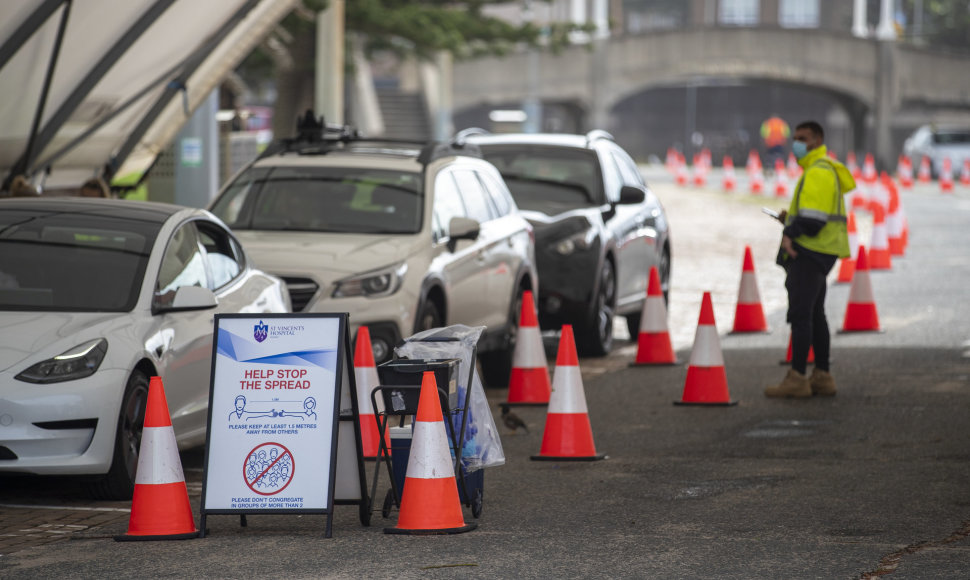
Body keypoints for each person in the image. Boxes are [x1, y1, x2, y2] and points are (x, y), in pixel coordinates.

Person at [767, 120, 854, 398]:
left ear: (817, 140)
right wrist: (789, 218)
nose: (796, 144)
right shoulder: (824, 169)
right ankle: (822, 376)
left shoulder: (817, 171)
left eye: (802, 138)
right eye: (795, 138)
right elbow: (814, 213)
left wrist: (790, 231)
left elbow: (813, 220)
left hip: (811, 251)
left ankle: (798, 378)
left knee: (801, 315)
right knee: (816, 314)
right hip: (823, 251)